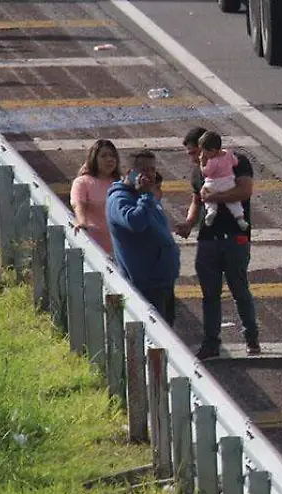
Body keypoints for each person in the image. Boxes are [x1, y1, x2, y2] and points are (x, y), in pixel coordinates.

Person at [176, 126, 260, 360]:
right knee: (209, 294)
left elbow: (244, 190)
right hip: (208, 239)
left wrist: (215, 198)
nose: (194, 159)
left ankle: (251, 336)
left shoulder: (237, 161)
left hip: (236, 236)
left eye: (195, 153)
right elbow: (196, 200)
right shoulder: (198, 172)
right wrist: (189, 223)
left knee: (239, 288)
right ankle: (211, 341)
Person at [106, 150, 180, 325]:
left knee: (168, 334)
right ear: (128, 172)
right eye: (144, 170)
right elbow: (135, 222)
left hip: (163, 280)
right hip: (145, 284)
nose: (150, 175)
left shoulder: (145, 196)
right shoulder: (119, 199)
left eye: (152, 170)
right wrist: (147, 196)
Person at [70, 139, 122, 256]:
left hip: (120, 249)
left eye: (112, 156)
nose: (109, 159)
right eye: (103, 156)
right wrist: (82, 221)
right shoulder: (82, 182)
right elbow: (78, 203)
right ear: (94, 159)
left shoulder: (121, 183)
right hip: (95, 247)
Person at [196, 131, 248, 231]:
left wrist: (202, 163)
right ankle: (240, 218)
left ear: (212, 150)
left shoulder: (212, 161)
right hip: (229, 183)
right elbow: (235, 162)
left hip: (213, 183)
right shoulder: (228, 153)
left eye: (204, 152)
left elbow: (206, 172)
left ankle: (211, 211)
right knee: (234, 203)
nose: (204, 154)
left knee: (208, 197)